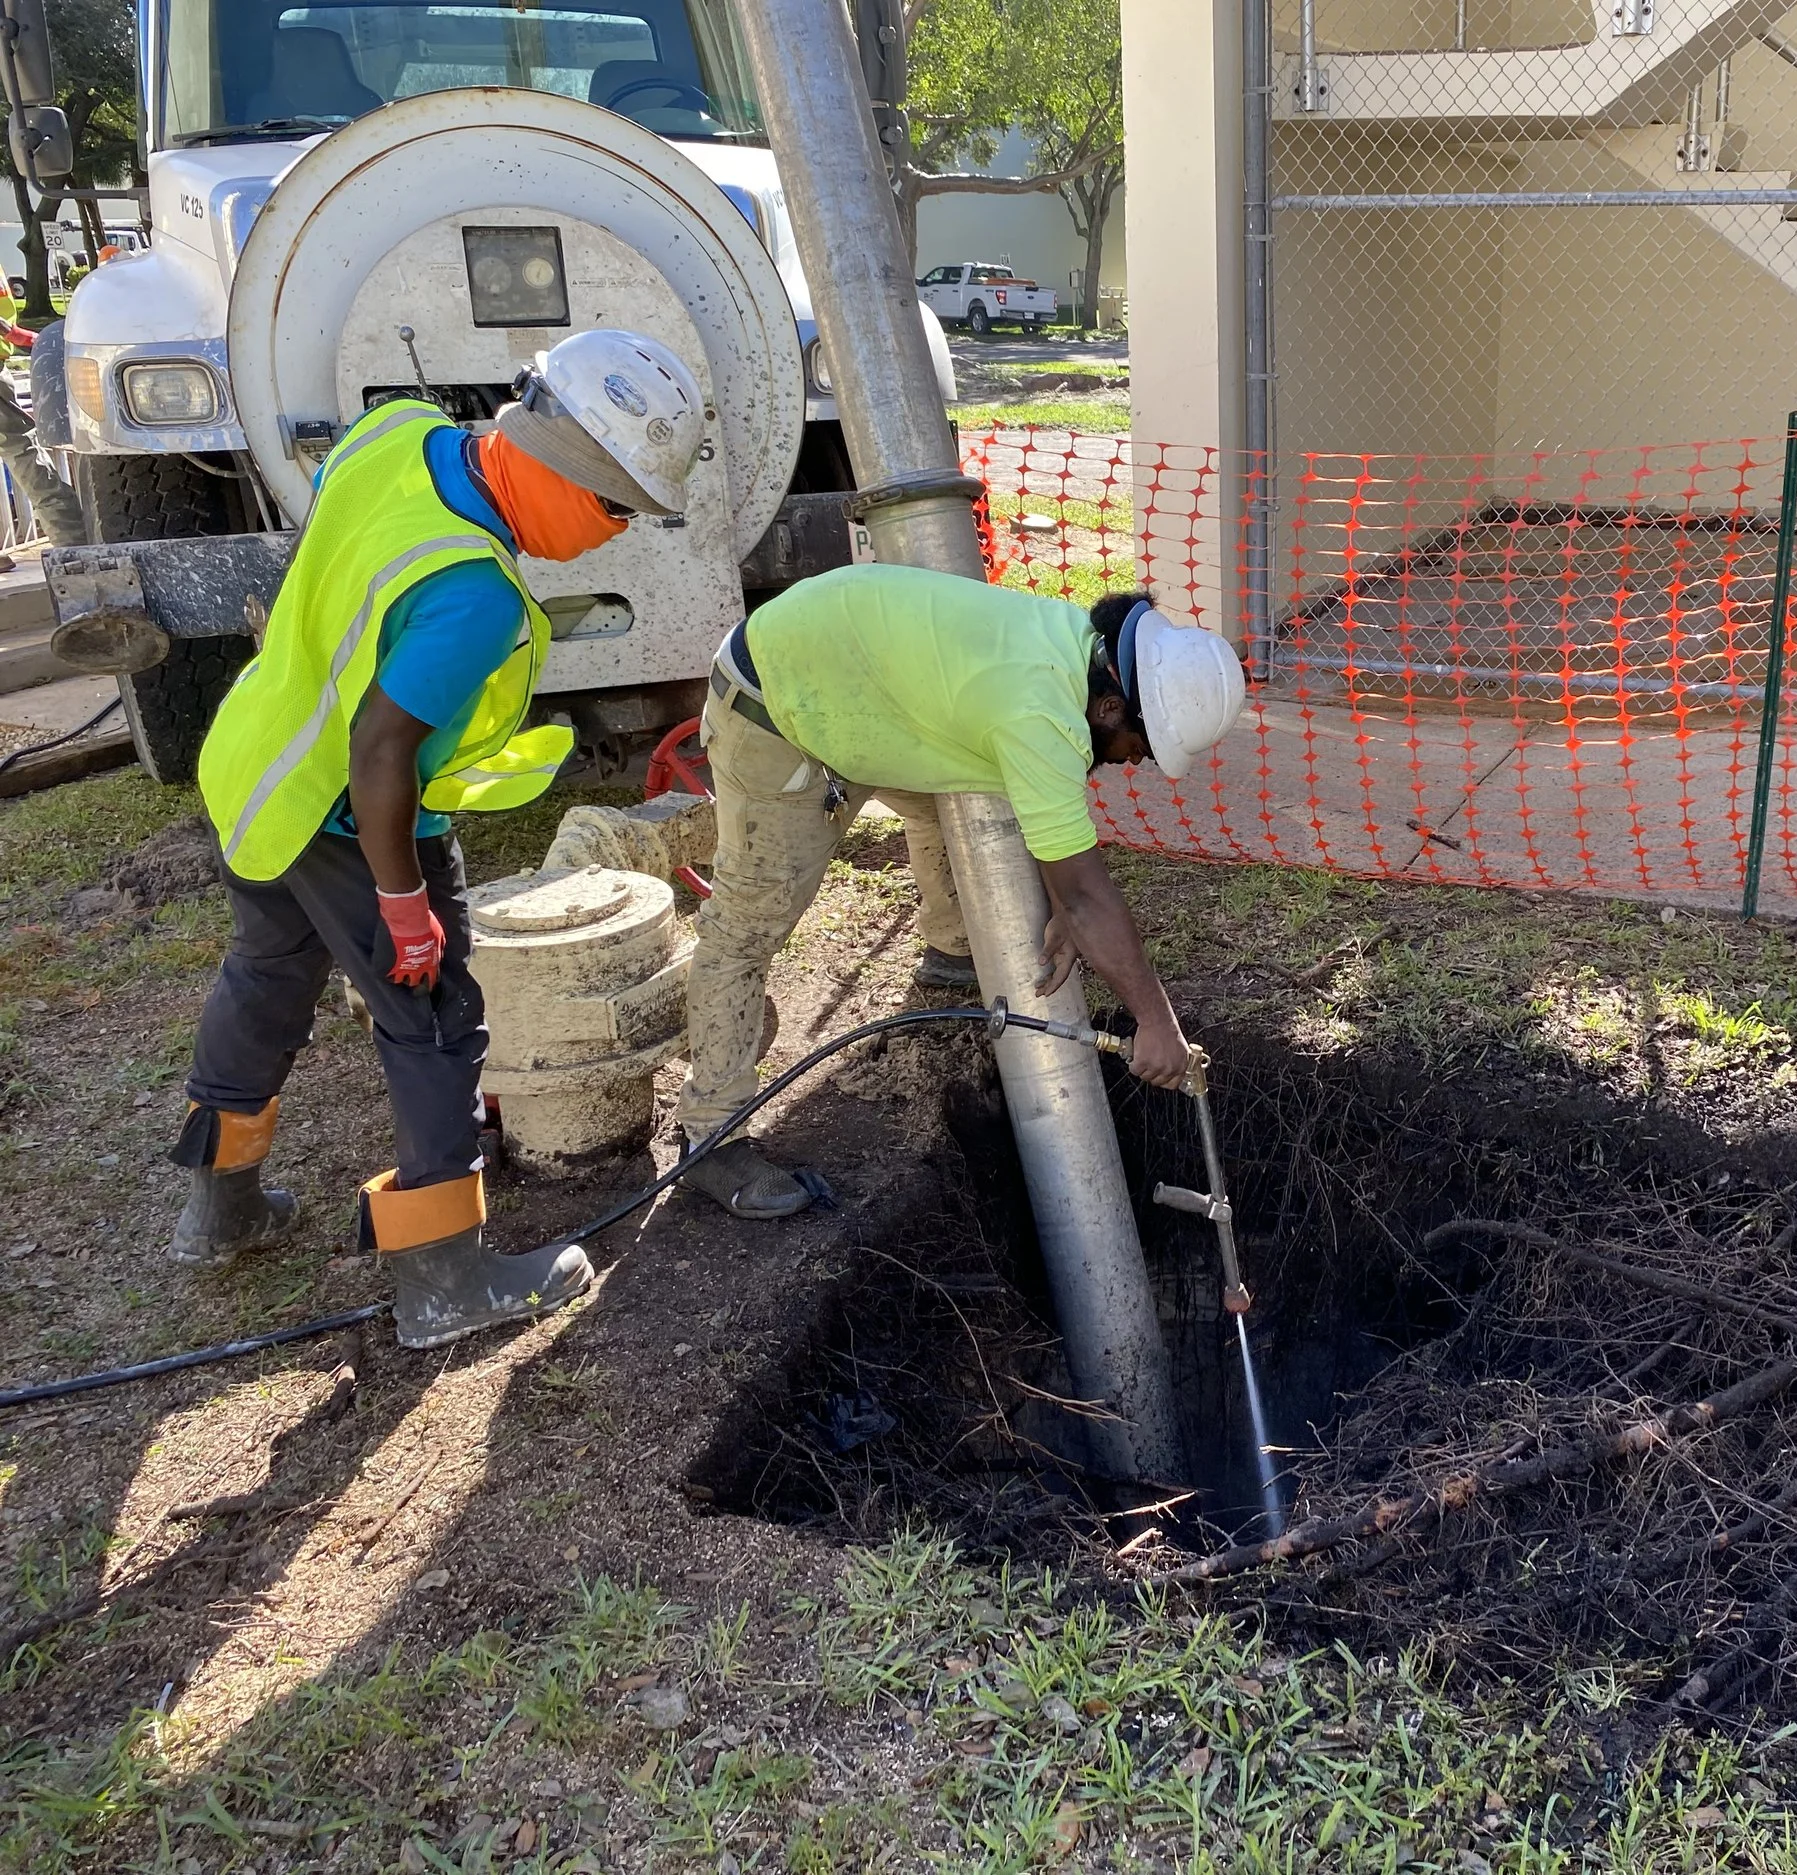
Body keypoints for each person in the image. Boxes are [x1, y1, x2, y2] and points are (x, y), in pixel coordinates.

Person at [172, 328, 709, 1348]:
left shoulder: (396, 434)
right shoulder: (472, 592)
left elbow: (342, 553)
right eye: (616, 509)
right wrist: (403, 901)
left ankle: (220, 1208)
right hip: (347, 811)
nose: (616, 535)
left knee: (266, 975)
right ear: (562, 468)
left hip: (256, 764)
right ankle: (443, 1283)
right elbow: (380, 752)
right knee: (434, 1021)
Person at [675, 565, 1246, 1217]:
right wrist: (1155, 1022)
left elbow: (1065, 865)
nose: (1134, 760)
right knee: (746, 928)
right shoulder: (1038, 710)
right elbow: (1089, 892)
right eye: (1139, 744)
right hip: (777, 701)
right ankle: (710, 1137)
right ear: (1111, 706)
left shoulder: (1070, 645)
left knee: (960, 807)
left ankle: (950, 961)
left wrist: (1062, 906)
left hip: (859, 683)